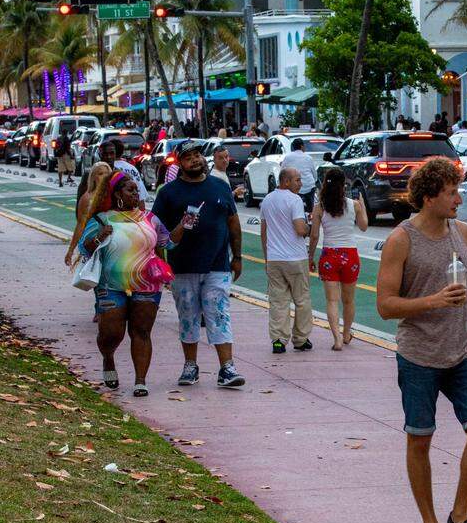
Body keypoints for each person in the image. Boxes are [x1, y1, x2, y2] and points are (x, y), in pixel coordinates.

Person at [376, 157, 467, 523]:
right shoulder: (402, 240)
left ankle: (460, 516)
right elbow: (384, 305)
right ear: (430, 197)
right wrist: (432, 301)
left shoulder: (463, 234)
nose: (459, 199)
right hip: (419, 355)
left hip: (463, 349)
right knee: (420, 439)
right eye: (452, 192)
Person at [153, 141, 247, 389]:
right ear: (180, 163)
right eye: (188, 157)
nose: (194, 160)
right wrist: (160, 265)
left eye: (197, 155)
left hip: (217, 264)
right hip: (182, 267)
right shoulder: (167, 193)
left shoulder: (219, 186)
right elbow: (156, 233)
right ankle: (190, 365)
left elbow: (233, 223)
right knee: (188, 315)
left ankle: (227, 368)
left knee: (219, 313)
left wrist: (237, 257)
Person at [80, 172, 181, 397]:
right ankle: (108, 358)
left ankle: (140, 381)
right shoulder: (102, 219)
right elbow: (83, 248)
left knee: (142, 332)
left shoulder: (151, 219)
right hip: (111, 285)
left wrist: (184, 225)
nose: (136, 194)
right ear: (117, 194)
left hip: (147, 285)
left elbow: (168, 243)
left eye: (137, 190)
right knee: (111, 334)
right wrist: (99, 237)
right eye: (130, 190)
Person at [308, 168, 368, 350]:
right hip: (350, 255)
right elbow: (364, 226)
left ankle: (336, 339)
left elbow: (314, 236)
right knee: (348, 300)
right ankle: (347, 333)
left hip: (329, 256)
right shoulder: (354, 205)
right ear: (344, 185)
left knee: (332, 301)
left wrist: (311, 256)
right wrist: (362, 205)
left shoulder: (319, 207)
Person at [260, 167, 313, 354]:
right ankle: (300, 338)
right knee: (301, 299)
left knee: (278, 301)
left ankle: (278, 340)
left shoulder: (267, 200)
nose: (301, 183)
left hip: (274, 258)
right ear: (286, 181)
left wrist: (267, 258)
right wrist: (309, 227)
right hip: (296, 257)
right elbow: (300, 229)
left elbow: (264, 232)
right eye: (297, 180)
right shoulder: (295, 200)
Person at [66, 162, 113, 267]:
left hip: (111, 242)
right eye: (100, 174)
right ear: (93, 177)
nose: (104, 176)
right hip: (93, 243)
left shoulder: (114, 194)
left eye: (107, 173)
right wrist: (71, 250)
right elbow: (80, 225)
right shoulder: (87, 198)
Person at [102, 139, 148, 205]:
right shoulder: (132, 168)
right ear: (122, 152)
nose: (108, 157)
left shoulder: (105, 169)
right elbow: (141, 197)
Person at [280, 137, 318, 212]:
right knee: (311, 206)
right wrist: (315, 180)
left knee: (293, 207)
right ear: (302, 146)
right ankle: (311, 217)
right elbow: (314, 173)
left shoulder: (288, 157)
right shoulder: (308, 158)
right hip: (309, 185)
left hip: (293, 186)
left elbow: (282, 171)